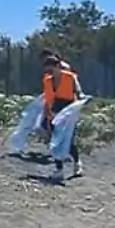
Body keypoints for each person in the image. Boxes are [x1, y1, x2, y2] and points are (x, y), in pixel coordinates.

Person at [41, 48, 84, 182]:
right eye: (48, 70)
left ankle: (77, 164)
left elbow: (78, 90)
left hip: (69, 111)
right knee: (56, 142)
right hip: (55, 112)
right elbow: (47, 99)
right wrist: (47, 114)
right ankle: (59, 170)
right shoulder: (47, 81)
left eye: (52, 69)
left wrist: (81, 96)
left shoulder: (70, 77)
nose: (51, 72)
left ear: (58, 66)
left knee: (69, 141)